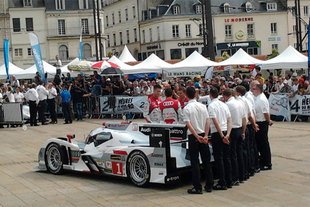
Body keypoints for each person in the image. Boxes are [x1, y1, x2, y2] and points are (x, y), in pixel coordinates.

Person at [183, 87, 213, 194]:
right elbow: (208, 121)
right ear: (195, 95)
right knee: (206, 160)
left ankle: (197, 186)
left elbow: (188, 124)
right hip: (203, 134)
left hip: (194, 136)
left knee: (195, 162)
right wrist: (205, 135)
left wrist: (196, 136)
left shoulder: (186, 108)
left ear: (186, 95)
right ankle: (209, 184)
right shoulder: (203, 106)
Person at [208, 86, 232, 190]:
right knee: (226, 157)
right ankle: (229, 180)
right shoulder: (224, 105)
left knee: (219, 158)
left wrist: (222, 135)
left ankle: (222, 182)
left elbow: (215, 121)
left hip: (218, 133)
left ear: (210, 95)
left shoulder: (211, 106)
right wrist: (227, 134)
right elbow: (229, 120)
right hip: (226, 130)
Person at [222, 88, 247, 185]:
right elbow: (244, 118)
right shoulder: (240, 103)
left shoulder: (227, 105)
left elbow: (226, 120)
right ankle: (242, 175)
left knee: (232, 155)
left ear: (225, 96)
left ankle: (234, 177)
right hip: (240, 128)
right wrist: (243, 131)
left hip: (232, 130)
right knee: (239, 153)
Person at [252, 83, 273, 171]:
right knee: (260, 144)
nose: (252, 91)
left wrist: (269, 121)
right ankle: (263, 160)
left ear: (258, 90)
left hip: (262, 123)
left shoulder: (262, 99)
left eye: (254, 89)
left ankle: (267, 163)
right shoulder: (257, 98)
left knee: (264, 144)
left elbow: (265, 113)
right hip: (259, 122)